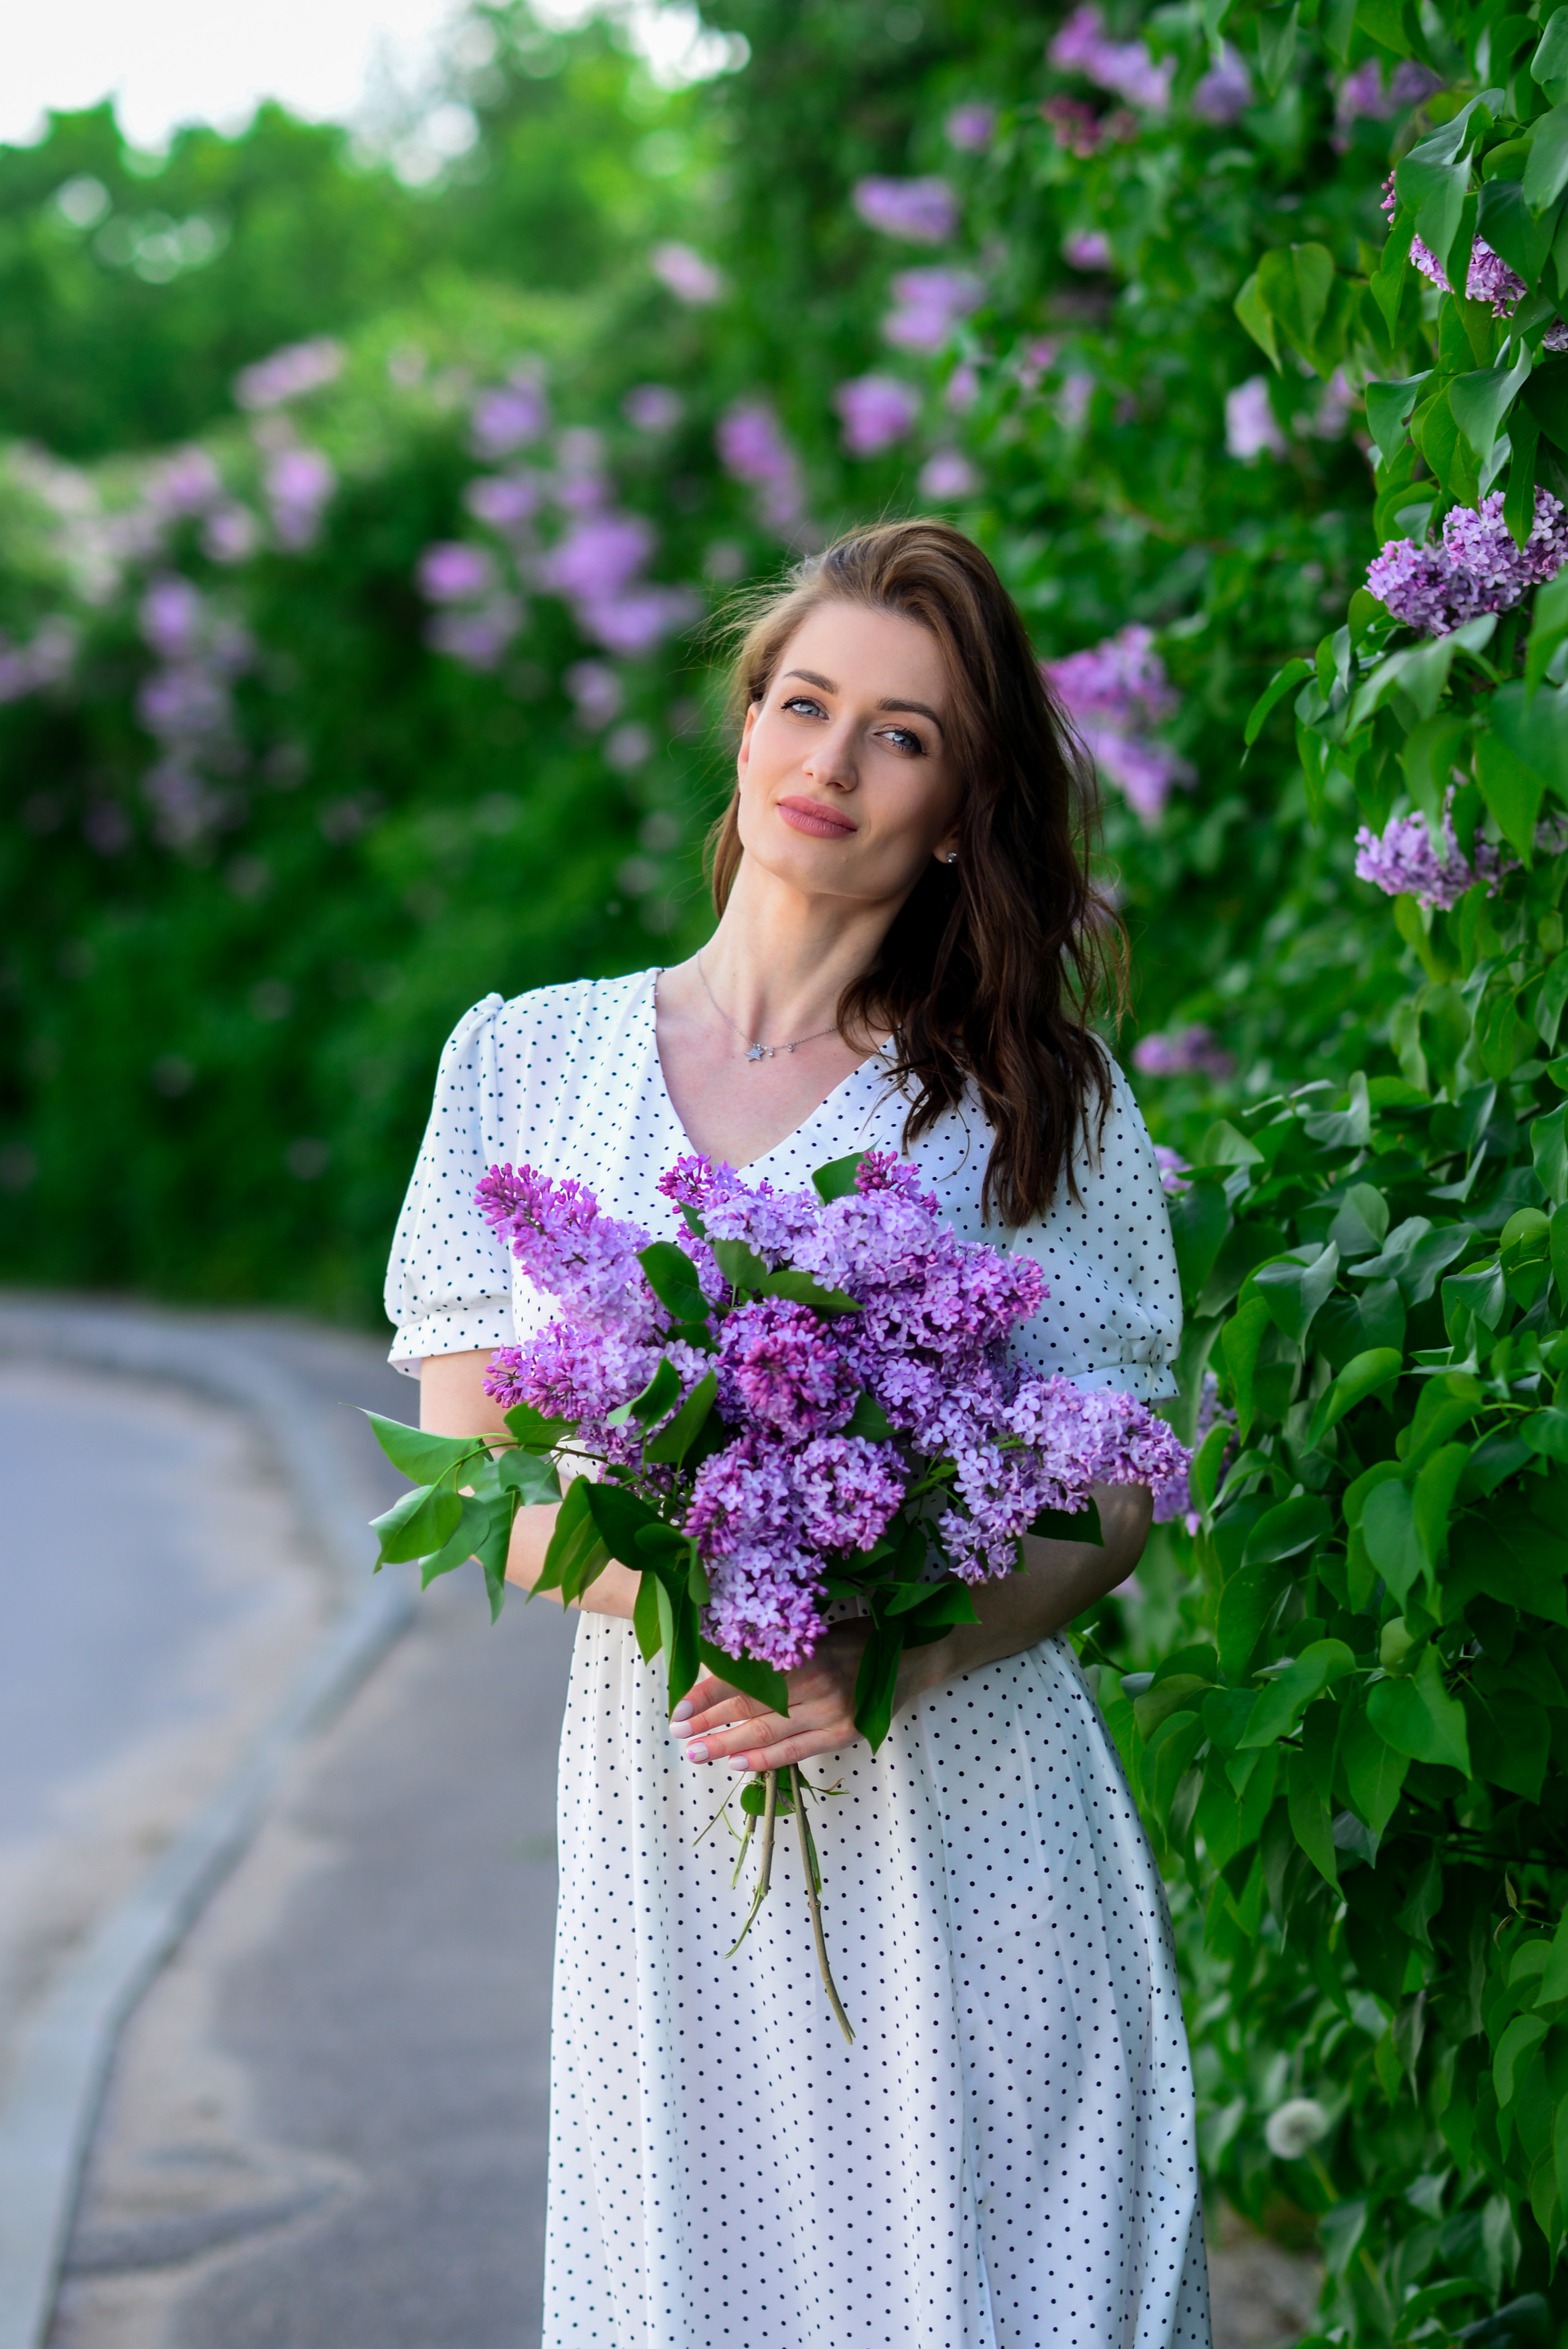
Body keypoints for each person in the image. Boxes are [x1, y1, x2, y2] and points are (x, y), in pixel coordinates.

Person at [386, 518, 1210, 2349]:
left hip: (970, 1829)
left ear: (959, 805)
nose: (831, 764)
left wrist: (893, 1642)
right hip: (675, 1816)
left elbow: (1117, 1486)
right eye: (805, 703)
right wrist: (725, 1600)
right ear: (747, 722)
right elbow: (483, 1472)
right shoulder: (521, 1062)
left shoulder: (1029, 1102)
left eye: (901, 735)